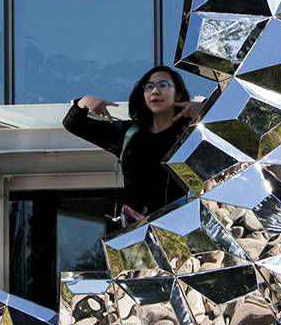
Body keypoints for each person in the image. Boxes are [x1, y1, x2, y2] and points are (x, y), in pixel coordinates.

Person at [64, 65, 201, 223]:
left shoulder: (193, 134)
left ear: (178, 94)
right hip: (138, 235)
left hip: (184, 229)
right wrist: (85, 100)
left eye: (163, 85)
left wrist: (205, 111)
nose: (155, 91)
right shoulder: (128, 133)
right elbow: (73, 124)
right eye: (149, 87)